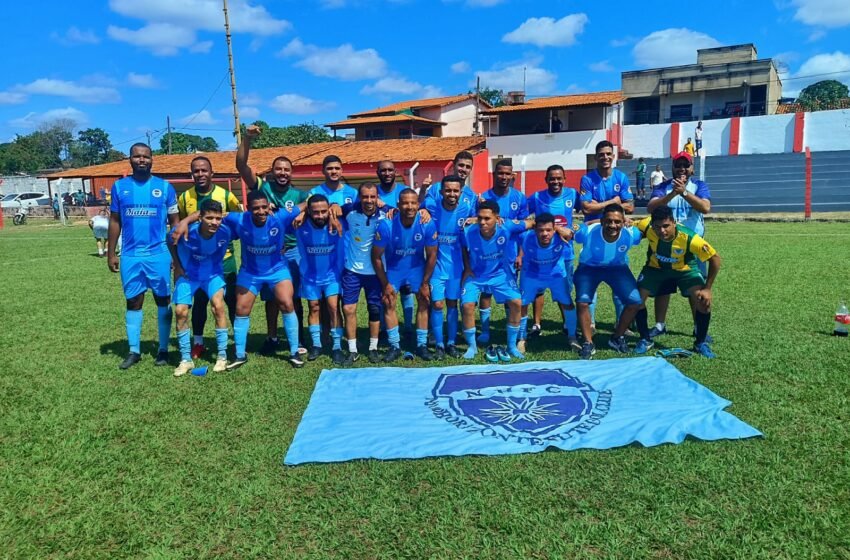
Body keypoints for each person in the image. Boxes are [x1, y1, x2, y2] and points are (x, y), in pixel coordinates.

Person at [236, 124, 309, 358]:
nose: (282, 173)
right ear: (273, 170)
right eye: (278, 169)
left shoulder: (298, 194)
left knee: (293, 298)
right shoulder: (262, 188)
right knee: (270, 300)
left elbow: (309, 204)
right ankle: (271, 336)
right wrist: (247, 139)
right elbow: (241, 166)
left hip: (292, 250)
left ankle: (296, 338)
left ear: (291, 172)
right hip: (264, 255)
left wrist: (303, 213)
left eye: (286, 169)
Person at [107, 143, 179, 370]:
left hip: (158, 254)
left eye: (146, 157)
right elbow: (115, 221)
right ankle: (134, 350)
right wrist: (111, 253)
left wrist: (176, 256)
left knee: (162, 300)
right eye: (137, 156)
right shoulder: (119, 188)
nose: (141, 160)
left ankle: (163, 349)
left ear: (152, 160)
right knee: (133, 301)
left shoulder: (164, 187)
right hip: (130, 255)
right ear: (129, 159)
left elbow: (175, 224)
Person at [631, 205, 720, 358]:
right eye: (657, 227)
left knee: (703, 300)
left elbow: (715, 259)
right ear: (652, 225)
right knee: (636, 299)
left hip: (685, 271)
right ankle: (645, 339)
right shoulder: (646, 225)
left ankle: (700, 342)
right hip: (655, 269)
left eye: (666, 226)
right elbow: (626, 224)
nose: (662, 231)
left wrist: (708, 288)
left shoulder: (690, 237)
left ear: (673, 222)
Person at [177, 155, 241, 359]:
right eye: (196, 171)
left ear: (212, 172)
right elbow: (179, 227)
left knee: (228, 301)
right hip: (197, 263)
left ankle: (236, 342)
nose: (200, 174)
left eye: (204, 170)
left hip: (225, 257)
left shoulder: (227, 195)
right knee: (199, 302)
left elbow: (237, 220)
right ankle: (198, 342)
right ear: (191, 174)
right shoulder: (185, 197)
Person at [646, 151, 712, 341]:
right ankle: (660, 325)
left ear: (692, 168)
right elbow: (651, 208)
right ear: (672, 168)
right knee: (663, 286)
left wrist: (684, 192)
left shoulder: (698, 186)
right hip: (664, 243)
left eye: (686, 165)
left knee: (696, 288)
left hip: (692, 246)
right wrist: (672, 193)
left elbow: (705, 207)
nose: (682, 169)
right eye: (678, 165)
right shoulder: (662, 187)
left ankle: (698, 327)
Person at [461, 200, 533, 362]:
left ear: (497, 218)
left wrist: (559, 229)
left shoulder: (506, 226)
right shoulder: (468, 232)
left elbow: (531, 223)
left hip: (500, 274)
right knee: (467, 305)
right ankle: (472, 346)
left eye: (487, 218)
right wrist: (467, 267)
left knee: (516, 302)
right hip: (476, 275)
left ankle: (511, 346)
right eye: (480, 218)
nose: (483, 222)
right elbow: (462, 248)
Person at [371, 188, 438, 362]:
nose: (409, 206)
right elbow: (376, 257)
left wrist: (425, 283)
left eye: (413, 203)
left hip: (417, 268)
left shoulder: (426, 223)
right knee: (388, 302)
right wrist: (385, 283)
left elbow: (432, 256)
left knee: (424, 300)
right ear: (398, 205)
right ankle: (394, 346)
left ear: (418, 205)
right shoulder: (386, 225)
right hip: (394, 269)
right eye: (405, 203)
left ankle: (421, 344)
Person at [169, 200, 233, 377]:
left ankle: (222, 356)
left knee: (218, 306)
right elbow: (170, 241)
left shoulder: (225, 232)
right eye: (209, 218)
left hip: (212, 275)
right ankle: (185, 360)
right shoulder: (187, 231)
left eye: (218, 218)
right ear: (200, 218)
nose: (214, 222)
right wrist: (177, 264)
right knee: (180, 311)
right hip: (188, 275)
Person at [573, 203, 644, 359]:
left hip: (617, 268)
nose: (613, 225)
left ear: (624, 221)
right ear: (602, 221)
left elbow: (645, 230)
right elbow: (576, 230)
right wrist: (590, 222)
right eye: (609, 221)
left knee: (635, 302)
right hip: (589, 268)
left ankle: (617, 337)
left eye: (617, 221)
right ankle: (588, 343)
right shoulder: (589, 232)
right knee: (582, 302)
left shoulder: (631, 234)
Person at [580, 140, 634, 332]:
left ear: (613, 156)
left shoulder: (621, 177)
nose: (605, 157)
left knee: (619, 281)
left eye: (608, 154)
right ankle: (590, 323)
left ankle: (621, 323)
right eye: (601, 154)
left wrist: (600, 206)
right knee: (590, 283)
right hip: (593, 236)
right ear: (596, 157)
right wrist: (613, 203)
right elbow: (586, 207)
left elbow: (630, 206)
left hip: (615, 236)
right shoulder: (587, 179)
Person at [525, 164, 580, 347]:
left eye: (559, 178)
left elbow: (587, 210)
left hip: (565, 253)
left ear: (565, 179)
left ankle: (567, 325)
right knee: (538, 289)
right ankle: (536, 323)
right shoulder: (537, 197)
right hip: (541, 252)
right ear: (546, 179)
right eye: (552, 178)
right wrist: (556, 228)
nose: (555, 181)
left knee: (564, 291)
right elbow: (527, 219)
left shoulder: (573, 194)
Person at [424, 175, 476, 359]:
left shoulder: (466, 210)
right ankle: (439, 344)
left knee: (452, 304)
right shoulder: (432, 208)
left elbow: (466, 241)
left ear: (461, 193)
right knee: (437, 304)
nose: (452, 194)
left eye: (455, 191)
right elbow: (418, 207)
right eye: (448, 190)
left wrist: (476, 219)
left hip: (456, 268)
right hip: (436, 267)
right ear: (441, 192)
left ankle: (451, 342)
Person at [478, 159, 528, 345]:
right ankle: (484, 332)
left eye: (507, 174)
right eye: (500, 173)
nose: (504, 177)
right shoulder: (484, 197)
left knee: (510, 291)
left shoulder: (519, 198)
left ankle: (514, 332)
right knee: (486, 291)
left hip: (510, 254)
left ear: (512, 175)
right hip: (487, 254)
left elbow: (524, 229)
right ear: (494, 174)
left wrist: (521, 254)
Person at [290, 194, 346, 364]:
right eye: (315, 212)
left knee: (333, 308)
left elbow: (354, 209)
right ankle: (316, 345)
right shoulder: (299, 225)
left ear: (328, 210)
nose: (320, 215)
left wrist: (335, 208)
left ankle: (337, 347)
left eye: (323, 211)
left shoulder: (338, 223)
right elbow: (278, 222)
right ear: (309, 211)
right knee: (313, 307)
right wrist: (301, 213)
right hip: (309, 275)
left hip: (332, 275)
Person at [339, 183, 391, 364]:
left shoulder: (386, 215)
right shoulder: (350, 211)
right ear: (359, 198)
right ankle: (352, 350)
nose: (369, 201)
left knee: (375, 309)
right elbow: (335, 208)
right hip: (352, 270)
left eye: (372, 197)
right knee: (348, 308)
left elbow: (405, 213)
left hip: (375, 271)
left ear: (378, 198)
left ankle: (373, 348)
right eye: (365, 197)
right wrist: (331, 209)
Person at [518, 213, 576, 350]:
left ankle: (572, 337)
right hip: (532, 275)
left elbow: (571, 233)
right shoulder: (526, 237)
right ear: (535, 230)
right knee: (523, 304)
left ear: (554, 229)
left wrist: (559, 229)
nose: (545, 233)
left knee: (567, 303)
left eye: (548, 230)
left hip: (556, 274)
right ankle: (521, 338)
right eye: (541, 230)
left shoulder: (561, 236)